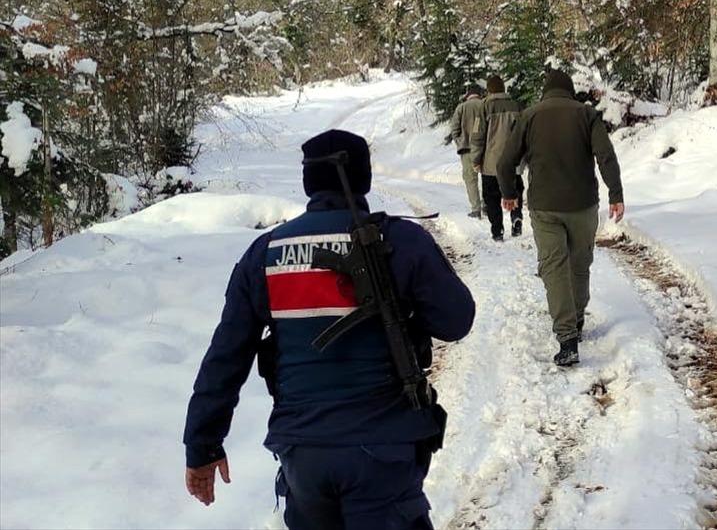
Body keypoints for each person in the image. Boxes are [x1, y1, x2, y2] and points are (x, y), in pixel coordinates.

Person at [183, 129, 475, 530]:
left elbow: (225, 358)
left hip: (304, 454)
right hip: (385, 448)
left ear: (308, 182)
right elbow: (457, 321)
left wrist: (201, 446)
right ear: (364, 178)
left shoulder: (264, 254)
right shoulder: (400, 240)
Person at [497, 68, 624, 367]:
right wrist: (615, 194)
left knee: (554, 267)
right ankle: (577, 321)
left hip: (545, 207)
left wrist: (509, 193)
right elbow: (605, 155)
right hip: (583, 205)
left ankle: (566, 338)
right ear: (569, 91)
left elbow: (505, 162)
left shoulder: (529, 116)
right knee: (579, 265)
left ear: (545, 91)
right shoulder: (586, 114)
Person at [470, 75, 525, 241]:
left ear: (489, 90)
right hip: (513, 162)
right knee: (515, 191)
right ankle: (516, 217)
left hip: (491, 163)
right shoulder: (516, 105)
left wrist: (475, 159)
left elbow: (477, 135)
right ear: (504, 88)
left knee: (492, 197)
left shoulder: (484, 107)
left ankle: (497, 230)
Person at [448, 85, 486, 218]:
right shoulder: (484, 105)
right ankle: (487, 205)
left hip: (467, 149)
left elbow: (454, 129)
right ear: (479, 94)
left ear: (468, 95)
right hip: (484, 148)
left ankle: (476, 208)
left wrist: (460, 141)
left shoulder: (461, 107)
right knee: (486, 177)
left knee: (471, 179)